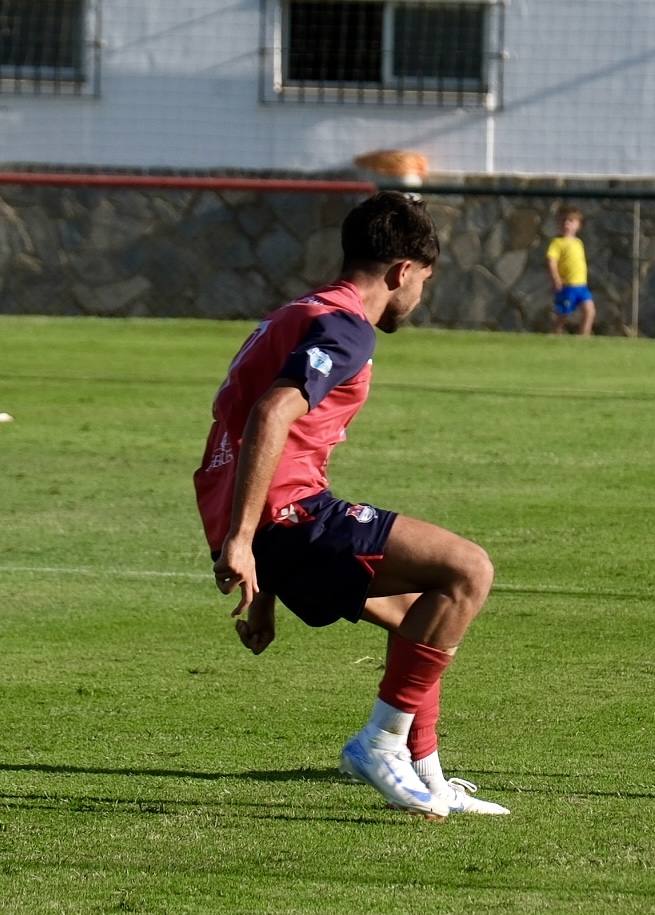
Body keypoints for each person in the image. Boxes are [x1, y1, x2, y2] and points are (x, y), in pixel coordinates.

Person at [193, 191, 509, 820]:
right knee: (468, 569)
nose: (419, 298)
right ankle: (380, 743)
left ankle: (426, 770)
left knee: (426, 611)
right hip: (287, 516)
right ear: (402, 272)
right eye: (423, 281)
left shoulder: (300, 312)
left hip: (259, 522)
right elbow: (272, 411)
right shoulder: (345, 327)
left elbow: (237, 435)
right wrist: (245, 543)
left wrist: (258, 573)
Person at [546, 205, 597, 335]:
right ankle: (555, 333)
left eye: (570, 221)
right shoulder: (557, 243)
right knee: (563, 314)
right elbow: (552, 261)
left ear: (578, 225)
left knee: (589, 311)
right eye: (563, 221)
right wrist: (556, 279)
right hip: (567, 286)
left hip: (581, 286)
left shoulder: (578, 242)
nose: (566, 224)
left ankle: (584, 337)